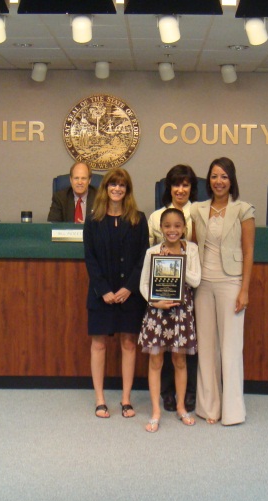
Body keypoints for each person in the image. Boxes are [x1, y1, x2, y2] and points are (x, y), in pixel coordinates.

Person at [191, 157, 255, 426]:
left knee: (230, 348)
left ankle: (232, 411)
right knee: (206, 347)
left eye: (224, 177)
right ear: (209, 180)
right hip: (203, 284)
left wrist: (245, 289)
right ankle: (209, 409)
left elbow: (249, 250)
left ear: (232, 180)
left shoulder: (243, 209)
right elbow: (193, 247)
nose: (219, 181)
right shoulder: (197, 209)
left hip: (231, 283)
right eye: (215, 176)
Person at [83, 168, 149, 419]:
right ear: (106, 188)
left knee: (129, 343)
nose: (117, 189)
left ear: (127, 190)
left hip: (128, 295)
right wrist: (104, 290)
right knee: (98, 344)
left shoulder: (138, 219)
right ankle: (100, 399)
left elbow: (143, 257)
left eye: (122, 185)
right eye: (113, 184)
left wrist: (128, 288)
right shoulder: (93, 220)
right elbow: (90, 258)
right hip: (101, 294)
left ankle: (125, 399)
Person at [139, 207, 201, 432]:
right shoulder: (152, 252)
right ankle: (156, 411)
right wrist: (154, 303)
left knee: (180, 361)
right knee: (155, 362)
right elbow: (144, 284)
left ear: (184, 228)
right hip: (157, 312)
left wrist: (177, 263)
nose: (172, 230)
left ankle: (181, 406)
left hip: (181, 313)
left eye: (177, 226)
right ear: (161, 228)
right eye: (167, 226)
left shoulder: (191, 249)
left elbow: (195, 281)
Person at [148, 164, 199, 413]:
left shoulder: (199, 213)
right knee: (163, 346)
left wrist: (180, 263)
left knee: (185, 346)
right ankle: (166, 394)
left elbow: (195, 270)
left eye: (186, 184)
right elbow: (151, 258)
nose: (180, 189)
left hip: (189, 293)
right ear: (168, 188)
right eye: (176, 184)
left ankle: (187, 395)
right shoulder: (155, 217)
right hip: (162, 293)